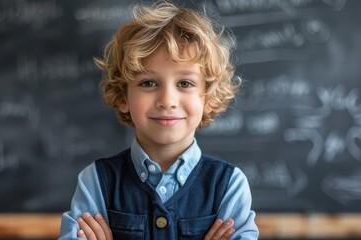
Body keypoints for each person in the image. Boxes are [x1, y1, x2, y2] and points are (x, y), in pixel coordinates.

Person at [59, 1, 258, 239]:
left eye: (185, 83)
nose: (167, 100)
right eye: (148, 83)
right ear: (124, 95)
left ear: (209, 97)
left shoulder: (228, 186)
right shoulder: (95, 183)